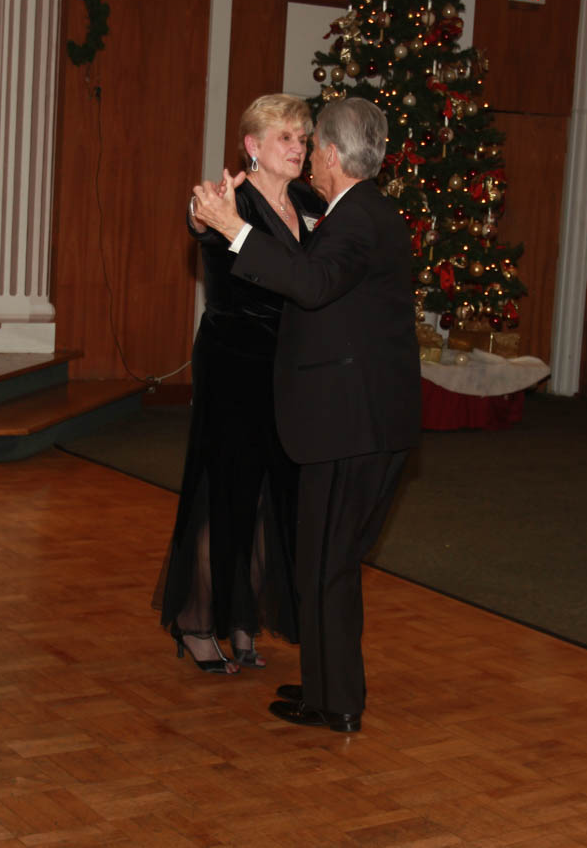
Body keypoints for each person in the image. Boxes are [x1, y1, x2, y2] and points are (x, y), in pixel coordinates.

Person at [191, 97, 421, 727]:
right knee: (323, 563)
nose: (307, 153)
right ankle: (324, 690)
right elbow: (312, 278)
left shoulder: (355, 219)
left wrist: (235, 229)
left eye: (312, 143)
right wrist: (215, 218)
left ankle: (338, 703)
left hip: (354, 425)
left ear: (332, 155)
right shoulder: (363, 212)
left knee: (330, 566)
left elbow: (311, 284)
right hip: (351, 419)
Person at [154, 93, 324, 674]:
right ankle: (198, 622)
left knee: (268, 495)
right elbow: (200, 220)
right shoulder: (235, 198)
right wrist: (203, 211)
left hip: (287, 369)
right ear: (253, 146)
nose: (298, 148)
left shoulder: (307, 199)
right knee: (222, 489)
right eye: (286, 138)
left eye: (303, 138)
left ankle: (244, 618)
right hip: (234, 364)